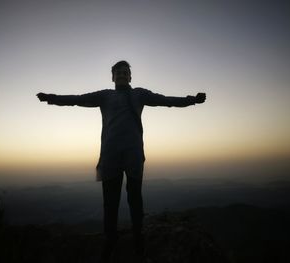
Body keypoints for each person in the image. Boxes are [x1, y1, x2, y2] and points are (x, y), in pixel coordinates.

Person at [36, 60, 206, 262]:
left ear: (130, 77)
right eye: (119, 73)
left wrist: (192, 100)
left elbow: (166, 100)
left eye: (126, 72)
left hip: (133, 154)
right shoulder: (104, 96)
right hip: (110, 155)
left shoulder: (140, 94)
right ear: (113, 77)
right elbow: (78, 99)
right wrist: (52, 98)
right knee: (110, 201)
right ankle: (110, 239)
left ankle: (137, 236)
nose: (122, 75)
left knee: (135, 198)